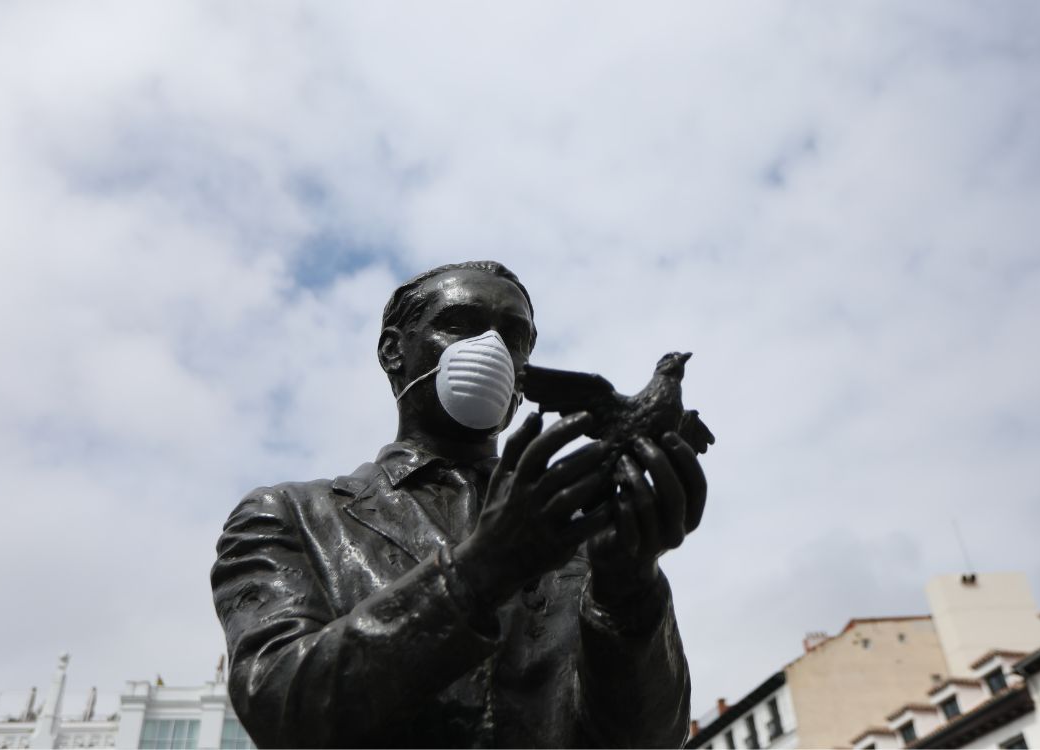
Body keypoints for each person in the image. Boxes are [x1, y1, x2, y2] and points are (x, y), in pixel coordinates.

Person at [211, 261, 707, 748]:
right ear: (392, 352)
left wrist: (629, 588)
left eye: (513, 338)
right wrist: (481, 569)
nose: (491, 349)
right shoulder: (292, 517)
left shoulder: (577, 533)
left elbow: (651, 741)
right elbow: (281, 706)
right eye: (459, 325)